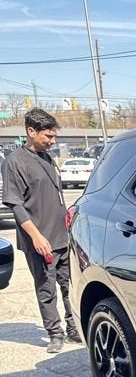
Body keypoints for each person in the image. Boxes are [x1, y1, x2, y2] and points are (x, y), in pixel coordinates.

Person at [1, 108, 81, 353]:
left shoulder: (47, 157)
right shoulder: (15, 162)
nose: (52, 141)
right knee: (46, 289)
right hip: (39, 240)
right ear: (31, 131)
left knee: (70, 286)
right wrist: (36, 236)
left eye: (54, 136)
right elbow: (16, 204)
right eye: (48, 136)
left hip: (61, 237)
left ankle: (73, 327)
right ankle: (54, 333)